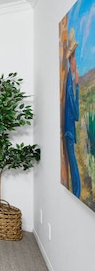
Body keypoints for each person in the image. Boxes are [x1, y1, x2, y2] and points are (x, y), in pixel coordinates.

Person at [63, 29, 80, 197]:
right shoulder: (70, 81)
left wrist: (76, 86)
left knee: (73, 163)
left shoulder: (70, 79)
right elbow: (76, 113)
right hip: (69, 130)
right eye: (74, 58)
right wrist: (77, 87)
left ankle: (76, 192)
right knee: (73, 165)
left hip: (68, 130)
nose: (75, 62)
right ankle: (77, 191)